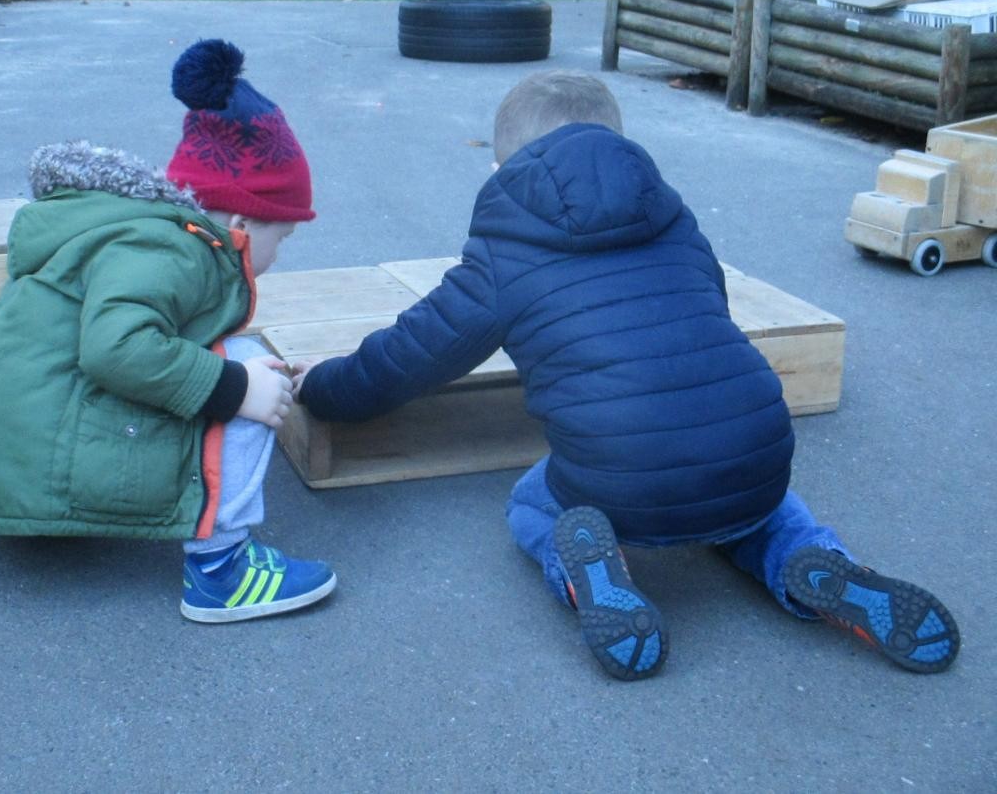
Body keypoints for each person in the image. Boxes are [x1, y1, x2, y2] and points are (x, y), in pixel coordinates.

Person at [294, 68, 960, 680]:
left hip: (620, 468)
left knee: (533, 501)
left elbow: (408, 357)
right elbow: (712, 310)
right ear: (620, 146)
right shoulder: (670, 218)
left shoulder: (504, 253)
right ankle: (813, 566)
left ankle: (584, 568)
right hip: (754, 443)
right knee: (761, 508)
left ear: (500, 167)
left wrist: (322, 389)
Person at [0, 39, 336, 623]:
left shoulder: (152, 231)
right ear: (240, 221)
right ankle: (221, 571)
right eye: (281, 238)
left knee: (229, 365)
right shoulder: (170, 250)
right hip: (40, 463)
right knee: (248, 366)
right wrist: (237, 389)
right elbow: (115, 349)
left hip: (20, 459)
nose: (279, 255)